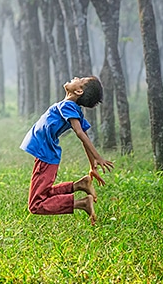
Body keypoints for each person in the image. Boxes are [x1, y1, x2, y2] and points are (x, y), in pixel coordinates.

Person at [20, 76, 113, 225]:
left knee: (36, 205)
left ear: (78, 90)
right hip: (45, 154)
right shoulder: (71, 107)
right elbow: (84, 136)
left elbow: (80, 133)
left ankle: (82, 204)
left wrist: (97, 157)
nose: (75, 77)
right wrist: (92, 166)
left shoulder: (68, 106)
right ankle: (79, 185)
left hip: (45, 155)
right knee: (44, 194)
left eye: (80, 79)